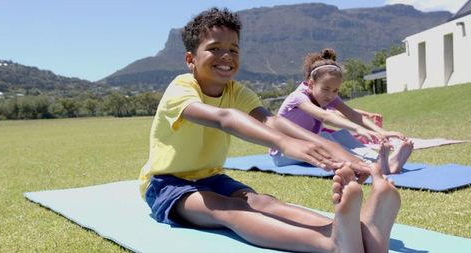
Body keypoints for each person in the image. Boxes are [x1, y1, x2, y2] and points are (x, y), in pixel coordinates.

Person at [139, 8, 400, 253]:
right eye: (214, 49)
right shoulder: (181, 89)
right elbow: (223, 118)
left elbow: (270, 120)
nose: (227, 56)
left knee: (264, 202)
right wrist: (284, 143)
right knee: (228, 208)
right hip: (168, 184)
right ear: (190, 59)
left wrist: (334, 148)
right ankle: (331, 243)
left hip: (212, 178)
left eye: (233, 49)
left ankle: (351, 233)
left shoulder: (236, 91)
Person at [271, 48, 414, 174]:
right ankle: (372, 166)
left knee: (342, 135)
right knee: (324, 138)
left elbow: (352, 114)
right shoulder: (297, 98)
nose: (330, 95)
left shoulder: (328, 95)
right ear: (311, 84)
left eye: (335, 90)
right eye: (326, 89)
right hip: (284, 154)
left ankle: (382, 161)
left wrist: (381, 132)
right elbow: (325, 116)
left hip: (308, 145)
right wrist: (359, 129)